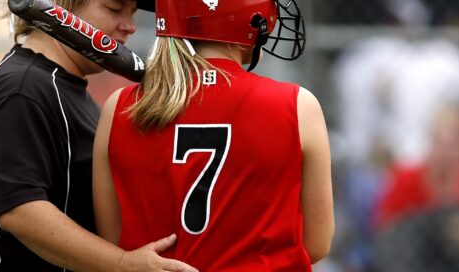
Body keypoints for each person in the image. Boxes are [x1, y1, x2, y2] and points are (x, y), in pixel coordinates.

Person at [92, 0, 334, 271]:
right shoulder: (298, 105)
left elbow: (112, 238)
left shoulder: (120, 106)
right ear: (242, 17)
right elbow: (316, 244)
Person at [0, 0, 197, 271]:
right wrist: (123, 264)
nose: (129, 27)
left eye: (132, 14)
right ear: (61, 5)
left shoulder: (67, 88)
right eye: (113, 9)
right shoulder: (21, 88)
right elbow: (20, 211)